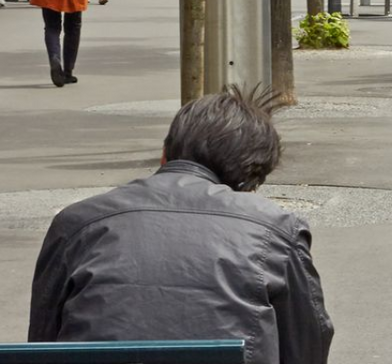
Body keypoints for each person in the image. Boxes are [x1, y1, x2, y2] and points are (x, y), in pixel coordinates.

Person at [29, 86, 333, 360]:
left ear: (165, 154)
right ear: (251, 180)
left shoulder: (78, 222)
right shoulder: (276, 228)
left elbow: (42, 342)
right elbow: (307, 344)